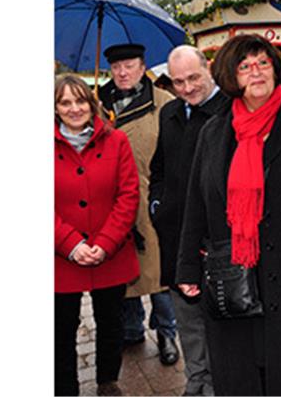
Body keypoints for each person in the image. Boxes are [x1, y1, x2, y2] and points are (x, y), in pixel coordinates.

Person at [175, 34, 281, 396]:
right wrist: (187, 267)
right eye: (244, 66)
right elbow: (196, 201)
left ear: (276, 68)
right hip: (232, 276)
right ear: (231, 76)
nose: (255, 72)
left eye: (262, 63)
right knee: (240, 377)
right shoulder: (214, 130)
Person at [149, 45, 228, 395]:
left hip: (217, 243)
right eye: (178, 81)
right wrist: (157, 204)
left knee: (222, 323)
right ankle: (196, 385)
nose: (186, 88)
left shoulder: (230, 111)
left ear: (208, 68)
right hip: (176, 239)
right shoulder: (169, 114)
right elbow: (159, 169)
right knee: (189, 323)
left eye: (193, 78)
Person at [55, 74, 140, 396]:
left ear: (92, 105)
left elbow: (128, 195)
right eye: (65, 102)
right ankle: (64, 387)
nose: (74, 108)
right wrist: (72, 244)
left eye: (80, 100)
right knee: (60, 330)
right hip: (61, 258)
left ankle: (107, 380)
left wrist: (104, 243)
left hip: (110, 254)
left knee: (110, 324)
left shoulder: (116, 141)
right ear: (55, 108)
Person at [97, 43, 180, 365]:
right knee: (122, 271)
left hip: (152, 200)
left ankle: (166, 332)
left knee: (159, 274)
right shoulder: (95, 105)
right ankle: (131, 328)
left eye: (129, 65)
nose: (122, 72)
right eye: (116, 67)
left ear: (142, 66)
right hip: (110, 204)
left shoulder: (164, 103)